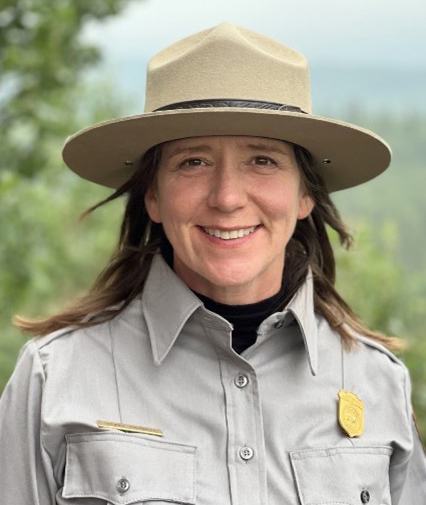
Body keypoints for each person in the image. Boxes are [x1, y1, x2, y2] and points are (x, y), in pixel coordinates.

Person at [0, 23, 425, 505]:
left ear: (305, 194)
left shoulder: (379, 383)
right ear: (153, 195)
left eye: (262, 160)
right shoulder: (55, 378)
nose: (226, 198)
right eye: (193, 162)